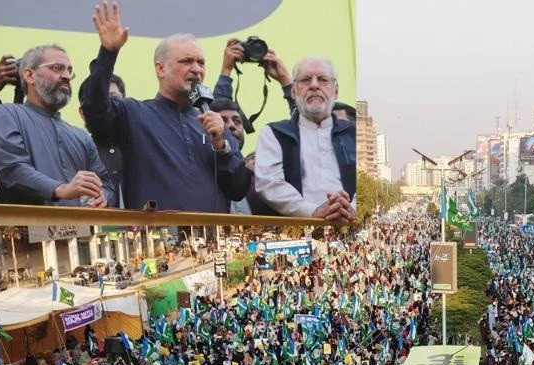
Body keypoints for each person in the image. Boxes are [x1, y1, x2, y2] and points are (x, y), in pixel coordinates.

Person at [81, 1, 249, 211]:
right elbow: (94, 112)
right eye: (186, 61)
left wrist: (222, 148)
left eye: (201, 62)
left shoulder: (215, 125)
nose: (197, 69)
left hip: (212, 232)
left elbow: (239, 189)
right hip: (156, 231)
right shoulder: (134, 114)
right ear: (160, 69)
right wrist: (108, 52)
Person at [0, 44, 112, 206]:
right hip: (26, 221)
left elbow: (105, 183)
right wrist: (60, 189)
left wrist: (102, 196)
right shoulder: (8, 114)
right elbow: (12, 169)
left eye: (69, 71)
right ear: (30, 75)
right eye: (57, 68)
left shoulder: (81, 137)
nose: (66, 76)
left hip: (78, 223)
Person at [253, 56, 356, 221]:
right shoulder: (275, 133)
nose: (314, 85)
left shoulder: (353, 132)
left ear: (335, 91)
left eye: (323, 80)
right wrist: (312, 212)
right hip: (299, 227)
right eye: (305, 80)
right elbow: (269, 183)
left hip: (350, 223)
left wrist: (352, 209)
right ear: (294, 91)